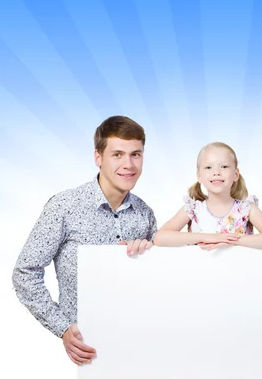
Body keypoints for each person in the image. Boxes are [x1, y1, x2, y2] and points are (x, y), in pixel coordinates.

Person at [12, 116, 157, 365]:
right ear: (98, 157)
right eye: (117, 154)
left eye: (136, 154)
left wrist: (151, 252)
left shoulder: (145, 213)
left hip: (140, 346)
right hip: (85, 355)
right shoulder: (65, 207)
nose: (128, 164)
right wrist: (63, 328)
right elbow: (25, 272)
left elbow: (160, 281)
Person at [154, 142, 262, 249]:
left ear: (235, 174)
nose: (216, 172)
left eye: (224, 166)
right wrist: (206, 237)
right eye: (208, 167)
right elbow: (160, 238)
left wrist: (231, 241)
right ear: (199, 175)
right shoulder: (193, 210)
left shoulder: (246, 209)